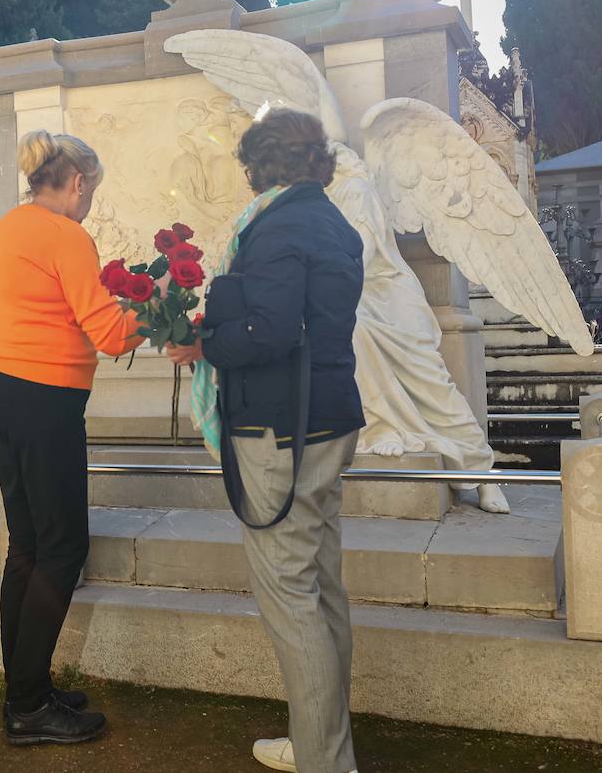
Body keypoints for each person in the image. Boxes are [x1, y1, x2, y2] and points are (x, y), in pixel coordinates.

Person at [168, 108, 366, 773]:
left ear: (266, 164)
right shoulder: (332, 223)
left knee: (290, 595)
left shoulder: (278, 226)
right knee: (321, 586)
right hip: (329, 419)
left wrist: (201, 343)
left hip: (281, 429)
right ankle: (322, 743)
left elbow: (270, 332)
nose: (248, 180)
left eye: (251, 167)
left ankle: (323, 761)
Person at [0, 130, 145, 746]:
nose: (90, 203)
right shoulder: (66, 234)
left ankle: (26, 688)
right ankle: (27, 707)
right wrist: (157, 313)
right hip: (42, 396)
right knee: (63, 546)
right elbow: (106, 332)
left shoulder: (9, 228)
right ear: (77, 183)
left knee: (26, 543)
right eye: (91, 191)